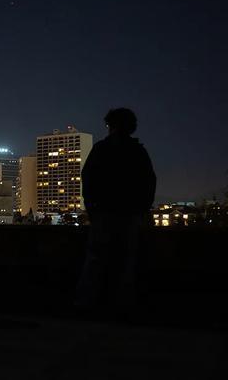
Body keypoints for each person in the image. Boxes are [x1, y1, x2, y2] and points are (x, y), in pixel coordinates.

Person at [76, 108, 156, 315]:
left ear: (110, 125)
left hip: (104, 214)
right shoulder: (137, 152)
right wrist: (141, 209)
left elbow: (88, 179)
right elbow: (149, 182)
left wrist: (92, 208)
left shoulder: (101, 149)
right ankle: (122, 306)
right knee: (126, 262)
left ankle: (88, 304)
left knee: (96, 262)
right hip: (128, 215)